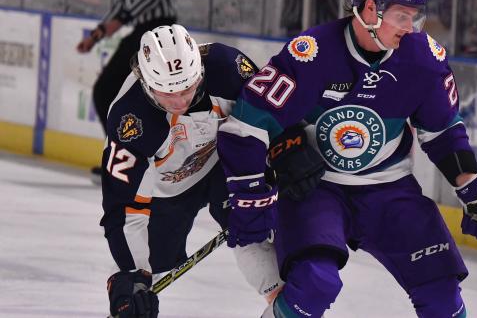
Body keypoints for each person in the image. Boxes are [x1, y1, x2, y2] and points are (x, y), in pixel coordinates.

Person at [217, 0, 477, 317]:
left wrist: (471, 182)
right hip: (318, 189)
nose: (411, 28)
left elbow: (443, 130)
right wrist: (249, 191)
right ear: (370, 8)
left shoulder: (423, 60)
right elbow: (246, 126)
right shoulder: (311, 54)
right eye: (402, 16)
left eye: (415, 17)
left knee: (442, 292)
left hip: (389, 190)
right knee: (314, 283)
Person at [100, 24, 323, 317]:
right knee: (145, 279)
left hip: (228, 164)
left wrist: (288, 142)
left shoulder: (227, 67)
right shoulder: (129, 120)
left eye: (188, 89)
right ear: (145, 83)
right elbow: (123, 209)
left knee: (252, 232)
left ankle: (281, 306)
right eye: (167, 95)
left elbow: (272, 110)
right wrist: (130, 275)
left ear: (200, 72)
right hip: (169, 189)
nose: (180, 101)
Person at [76, 0, 178, 179]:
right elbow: (122, 3)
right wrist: (96, 35)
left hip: (159, 29)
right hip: (142, 30)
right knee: (110, 93)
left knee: (110, 91)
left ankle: (131, 160)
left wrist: (124, 17)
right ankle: (124, 158)